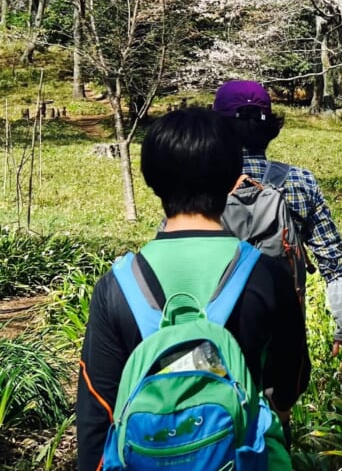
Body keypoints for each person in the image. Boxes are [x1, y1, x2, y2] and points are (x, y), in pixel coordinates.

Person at [76, 107, 309, 471]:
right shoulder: (267, 275)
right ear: (233, 177)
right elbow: (290, 382)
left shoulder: (116, 287)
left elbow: (98, 410)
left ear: (151, 179)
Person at [213, 79, 342, 371]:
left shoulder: (199, 182)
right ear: (269, 129)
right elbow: (332, 259)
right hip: (281, 337)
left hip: (214, 338)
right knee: (280, 396)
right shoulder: (299, 181)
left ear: (216, 128)